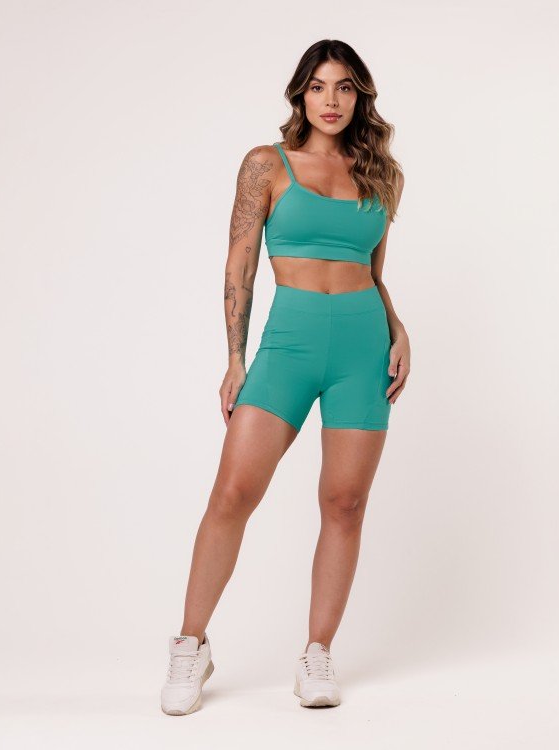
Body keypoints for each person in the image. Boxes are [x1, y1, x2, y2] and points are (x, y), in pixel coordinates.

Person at [161, 39, 410, 715]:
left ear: (360, 97)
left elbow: (372, 272)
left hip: (362, 345)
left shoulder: (381, 174)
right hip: (289, 343)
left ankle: (317, 652)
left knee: (345, 503)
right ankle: (190, 645)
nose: (332, 100)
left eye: (345, 87)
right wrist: (234, 357)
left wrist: (399, 329)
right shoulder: (265, 165)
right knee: (234, 492)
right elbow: (239, 263)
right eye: (319, 86)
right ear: (300, 93)